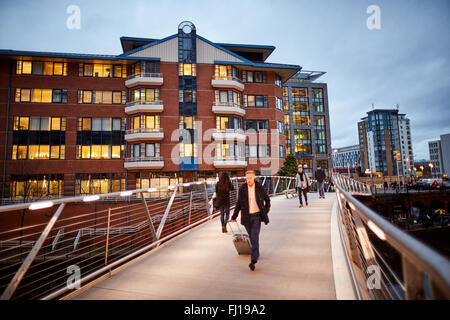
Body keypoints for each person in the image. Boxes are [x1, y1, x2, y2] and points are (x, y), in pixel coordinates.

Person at [230, 170, 270, 271]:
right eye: (247, 178)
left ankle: (253, 261)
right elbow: (238, 204)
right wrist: (234, 217)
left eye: (250, 178)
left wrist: (265, 211)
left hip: (256, 216)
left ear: (254, 178)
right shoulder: (242, 189)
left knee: (254, 237)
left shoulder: (259, 188)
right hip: (246, 217)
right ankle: (256, 253)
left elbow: (267, 200)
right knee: (252, 238)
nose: (248, 180)